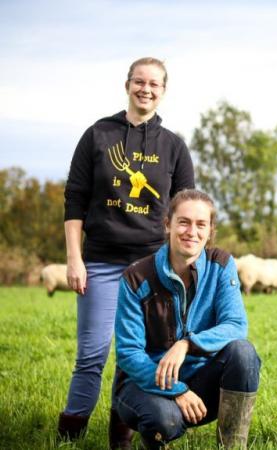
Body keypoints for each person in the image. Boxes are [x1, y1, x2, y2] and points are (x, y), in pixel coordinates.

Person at [58, 57, 195, 448]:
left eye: (154, 84)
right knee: (93, 352)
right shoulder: (98, 135)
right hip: (100, 261)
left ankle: (124, 430)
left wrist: (183, 266)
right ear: (127, 84)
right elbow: (75, 199)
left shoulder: (173, 146)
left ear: (163, 90)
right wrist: (74, 258)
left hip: (152, 267)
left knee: (139, 352)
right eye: (139, 81)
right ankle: (71, 433)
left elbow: (186, 209)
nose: (145, 89)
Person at [114, 189, 260, 449]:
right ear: (168, 224)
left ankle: (233, 445)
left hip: (200, 380)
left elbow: (236, 325)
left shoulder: (222, 264)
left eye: (201, 224)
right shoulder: (135, 277)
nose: (192, 232)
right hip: (144, 383)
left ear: (210, 229)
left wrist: (186, 344)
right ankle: (154, 436)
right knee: (165, 420)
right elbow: (128, 353)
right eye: (184, 222)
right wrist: (177, 389)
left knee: (244, 352)